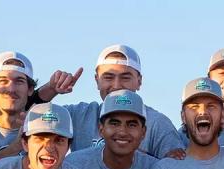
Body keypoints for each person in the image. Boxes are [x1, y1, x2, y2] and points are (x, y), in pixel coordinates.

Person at [40, 45, 186, 158]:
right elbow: (27, 120)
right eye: (108, 77)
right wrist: (50, 89)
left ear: (139, 81)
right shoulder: (78, 115)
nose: (116, 85)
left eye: (125, 77)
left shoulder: (157, 123)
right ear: (97, 81)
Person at [67, 91, 158, 169]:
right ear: (101, 129)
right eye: (114, 123)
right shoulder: (74, 165)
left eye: (131, 124)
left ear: (143, 132)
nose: (122, 132)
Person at [0, 51, 34, 161]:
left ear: (30, 89)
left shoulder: (40, 129)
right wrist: (16, 146)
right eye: (3, 81)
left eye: (19, 81)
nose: (11, 89)